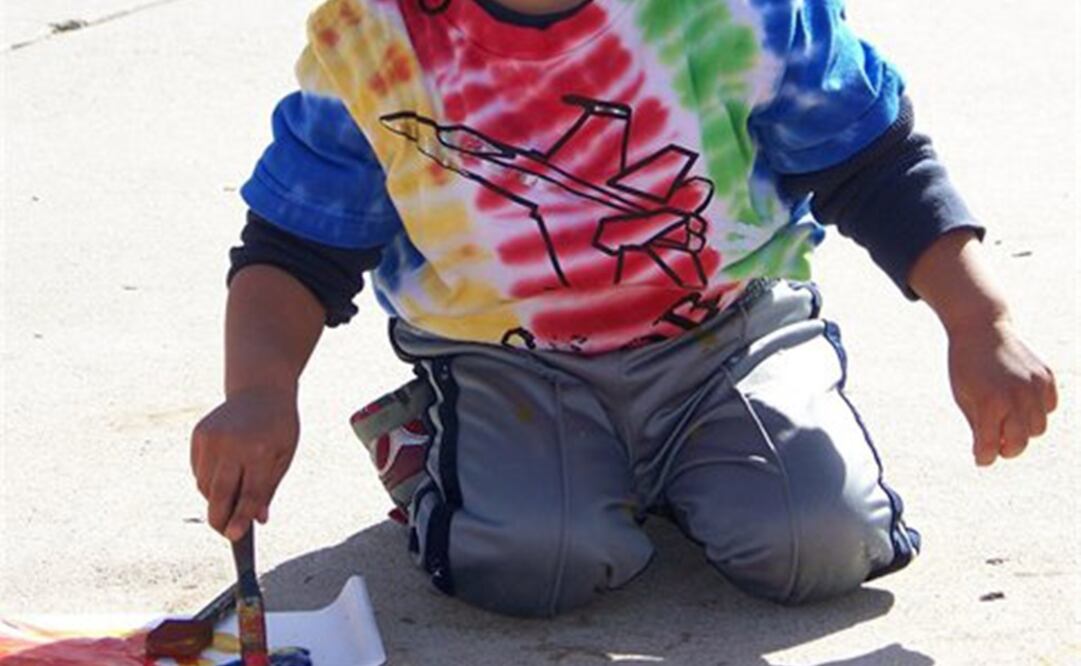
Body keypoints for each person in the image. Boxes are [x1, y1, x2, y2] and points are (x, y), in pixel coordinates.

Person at [190, 0, 1058, 617]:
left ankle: (679, 470)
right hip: (503, 355)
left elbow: (873, 162)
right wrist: (260, 392)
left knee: (817, 545)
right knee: (530, 564)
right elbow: (296, 244)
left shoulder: (738, 11)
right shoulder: (372, 38)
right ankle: (430, 451)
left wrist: (978, 323)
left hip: (728, 330)